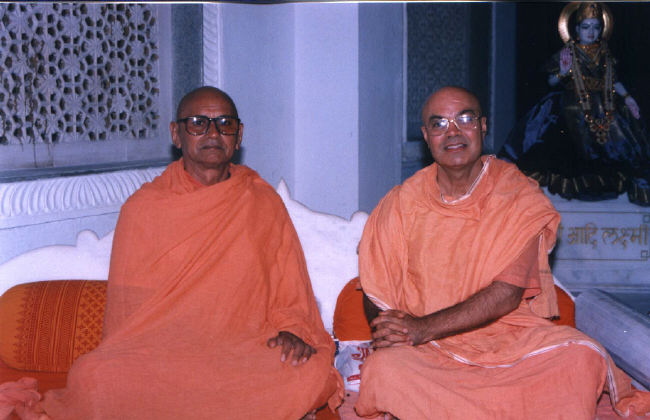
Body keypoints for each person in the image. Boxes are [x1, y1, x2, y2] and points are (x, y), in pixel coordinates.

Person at [0, 86, 342, 419]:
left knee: (306, 371)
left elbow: (290, 291)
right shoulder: (145, 209)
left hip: (242, 350)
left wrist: (293, 330)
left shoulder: (262, 202)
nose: (213, 133)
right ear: (176, 135)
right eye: (198, 123)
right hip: (163, 354)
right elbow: (129, 319)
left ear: (238, 136)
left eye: (225, 124)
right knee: (94, 377)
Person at [355, 86, 650, 419]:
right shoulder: (400, 203)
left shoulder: (518, 196)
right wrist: (392, 330)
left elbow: (506, 295)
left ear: (483, 126)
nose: (453, 132)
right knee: (384, 368)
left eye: (464, 119)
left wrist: (421, 327)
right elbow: (376, 291)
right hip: (430, 351)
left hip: (508, 340)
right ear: (426, 136)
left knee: (582, 356)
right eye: (439, 124)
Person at [499, 2, 650, 206]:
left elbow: (614, 81)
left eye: (596, 27)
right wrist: (563, 71)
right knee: (567, 114)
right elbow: (551, 82)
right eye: (586, 27)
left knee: (619, 121)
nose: (591, 32)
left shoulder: (605, 53)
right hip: (573, 99)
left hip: (604, 101)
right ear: (577, 29)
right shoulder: (569, 52)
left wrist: (628, 98)